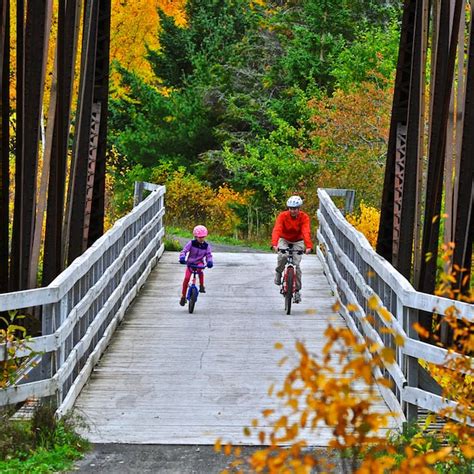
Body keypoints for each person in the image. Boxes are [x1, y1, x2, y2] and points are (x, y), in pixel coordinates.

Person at [271, 195, 312, 303]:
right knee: (283, 255)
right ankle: (279, 272)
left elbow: (305, 231)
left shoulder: (304, 217)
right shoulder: (282, 216)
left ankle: (297, 291)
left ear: (299, 209)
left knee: (297, 265)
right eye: (291, 208)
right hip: (284, 239)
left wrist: (308, 246)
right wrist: (275, 244)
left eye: (295, 209)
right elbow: (277, 229)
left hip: (298, 240)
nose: (293, 211)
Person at [179, 225, 213, 306]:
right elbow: (184, 251)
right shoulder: (191, 243)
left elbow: (209, 255)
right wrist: (182, 257)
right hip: (190, 263)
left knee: (200, 270)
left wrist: (209, 262)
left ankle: (201, 285)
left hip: (199, 263)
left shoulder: (206, 246)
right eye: (199, 237)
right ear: (195, 236)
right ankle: (183, 296)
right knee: (186, 278)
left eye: (203, 237)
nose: (201, 239)